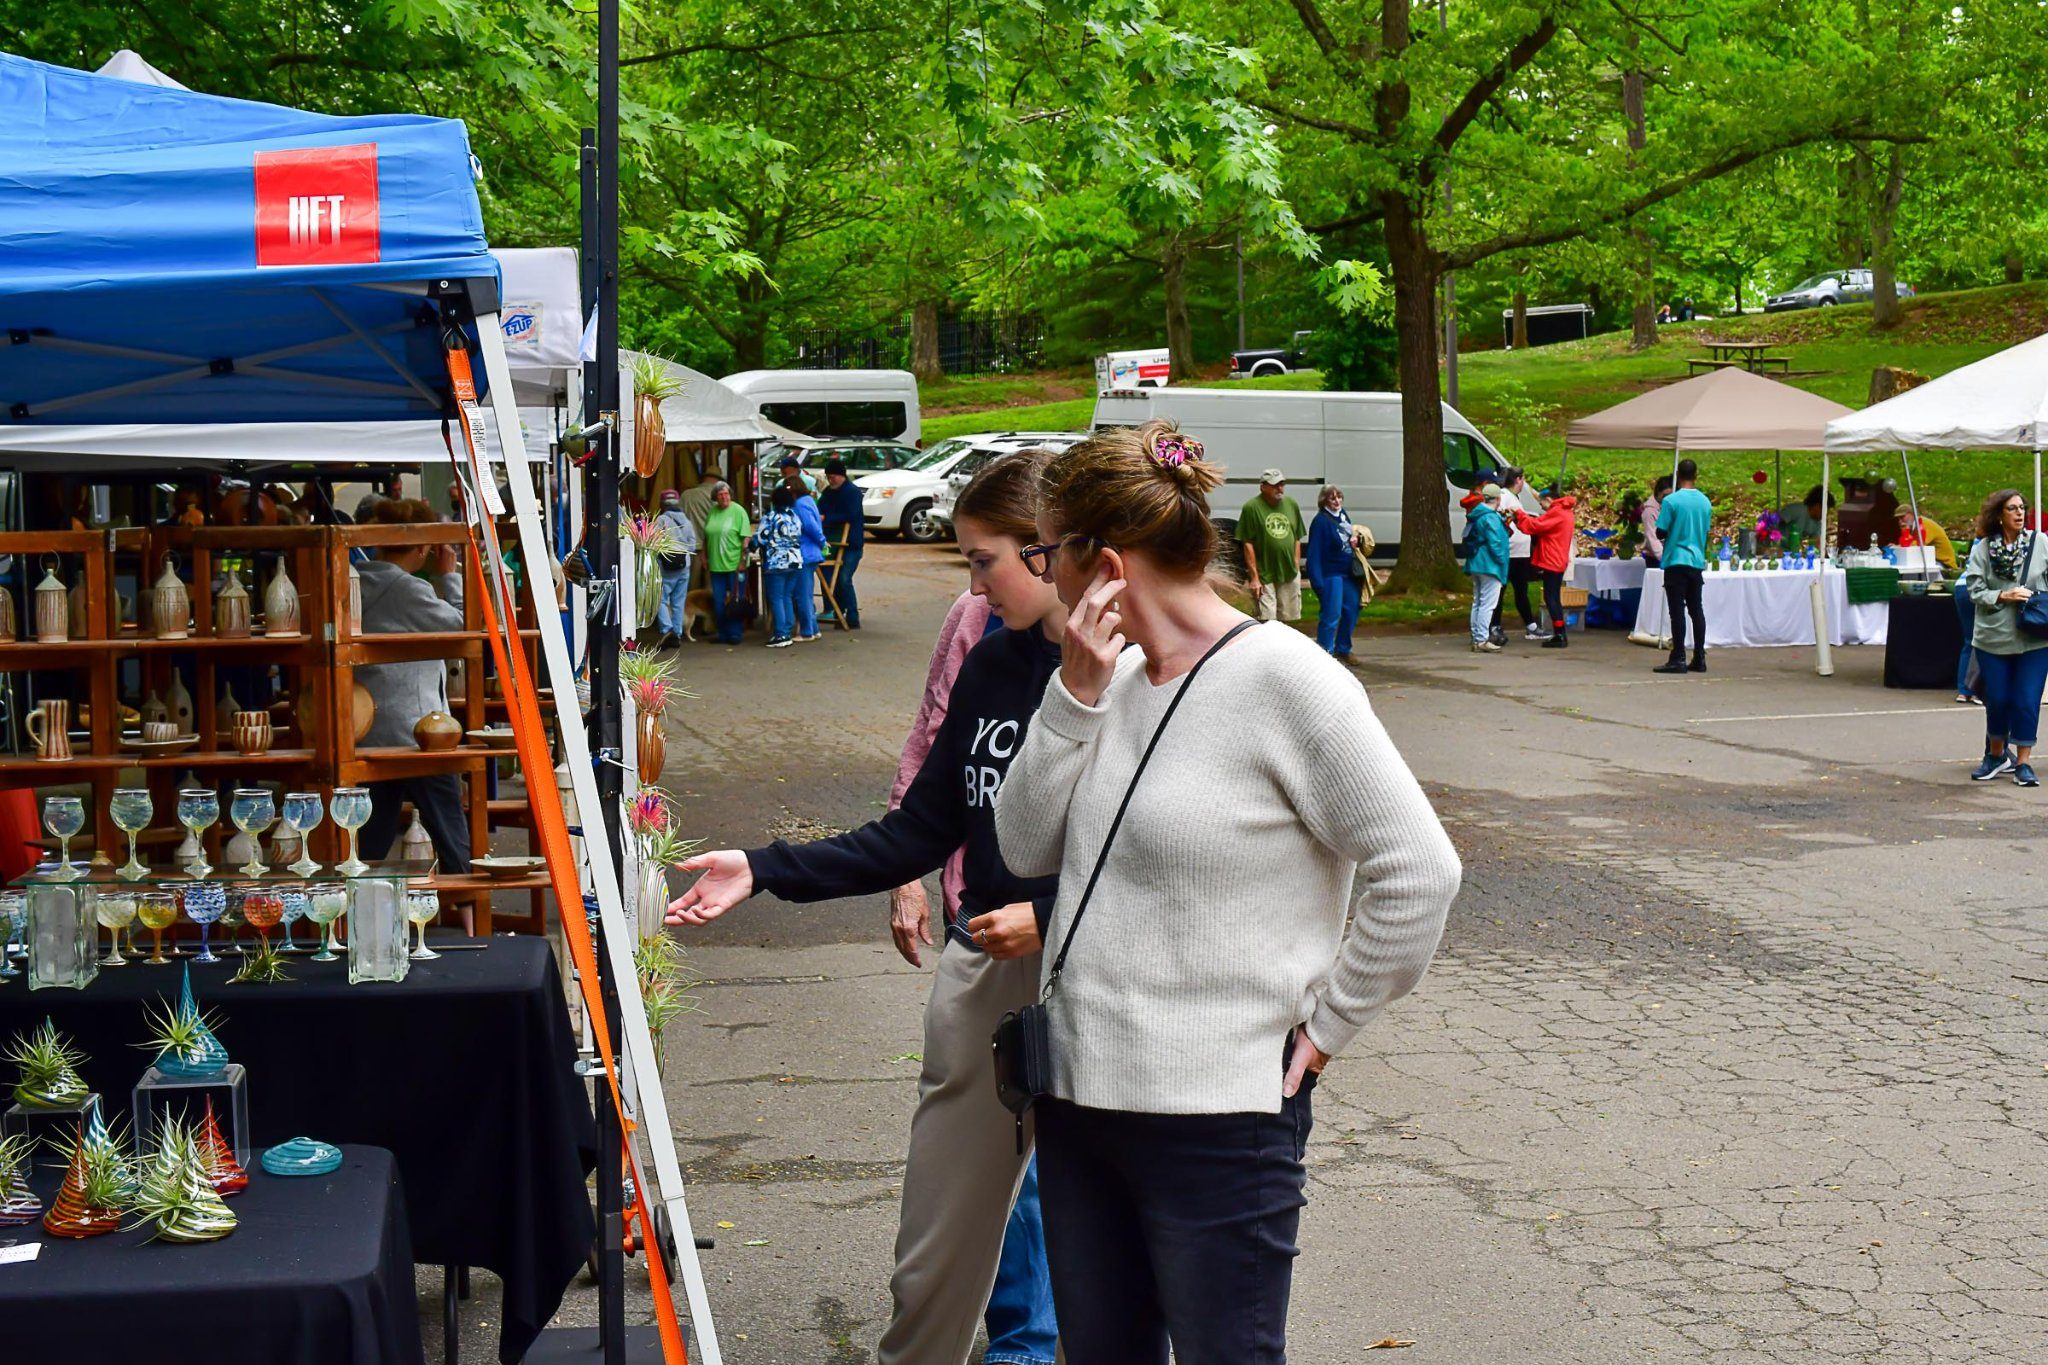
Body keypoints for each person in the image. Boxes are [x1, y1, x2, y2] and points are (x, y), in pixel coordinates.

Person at [993, 419, 1461, 1363]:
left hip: (1221, 1118)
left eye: (1049, 553)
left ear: (1104, 560)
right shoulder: (1110, 679)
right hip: (1081, 1102)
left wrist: (1328, 1028)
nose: (1046, 576)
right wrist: (1072, 697)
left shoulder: (1286, 678)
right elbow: (1023, 844)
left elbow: (1420, 869)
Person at [668, 451, 1067, 1365]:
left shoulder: (1139, 676)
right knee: (935, 1244)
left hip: (1104, 982)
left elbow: (1169, 859)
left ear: (1050, 552)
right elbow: (921, 827)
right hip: (986, 970)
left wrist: (1052, 914)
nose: (970, 584)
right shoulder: (991, 663)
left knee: (1106, 1239)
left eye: (983, 559)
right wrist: (763, 867)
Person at [354, 498, 471, 871]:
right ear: (423, 547)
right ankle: (470, 917)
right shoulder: (408, 590)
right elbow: (462, 626)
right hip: (420, 732)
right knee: (451, 834)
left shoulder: (351, 581)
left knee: (371, 838)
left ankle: (359, 916)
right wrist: (450, 575)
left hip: (367, 729)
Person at [1961, 489, 2048, 786]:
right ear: (1999, 515)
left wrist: (2036, 597)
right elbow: (1973, 590)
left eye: (2022, 508)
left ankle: (2023, 763)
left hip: (2034, 638)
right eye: (2012, 508)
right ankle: (1996, 756)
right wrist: (2003, 595)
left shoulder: (2041, 543)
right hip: (1993, 639)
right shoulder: (1983, 549)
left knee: (2026, 701)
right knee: (1997, 700)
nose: (2020, 513)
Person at [1654, 460, 1713, 674]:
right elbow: (1705, 530)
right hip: (1696, 559)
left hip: (1676, 558)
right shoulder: (1705, 502)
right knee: (1696, 609)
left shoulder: (1671, 501)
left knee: (1677, 610)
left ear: (1678, 475)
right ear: (1696, 475)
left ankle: (1678, 656)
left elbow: (1660, 531)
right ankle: (1699, 656)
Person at [1235, 469, 1306, 623]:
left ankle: (1284, 647)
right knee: (1267, 620)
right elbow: (1247, 542)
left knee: (1288, 618)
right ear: (1263, 487)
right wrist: (1254, 578)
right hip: (1264, 573)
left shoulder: (1291, 504)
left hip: (1288, 571)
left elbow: (1297, 537)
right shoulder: (1251, 507)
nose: (1279, 488)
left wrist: (1296, 566)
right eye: (1275, 485)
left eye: (1281, 484)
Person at [1305, 485, 1364, 659]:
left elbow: (1348, 537)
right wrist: (1318, 583)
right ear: (1324, 501)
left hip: (1348, 574)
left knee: (1352, 609)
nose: (1337, 501)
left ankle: (1343, 648)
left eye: (1339, 497)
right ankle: (1325, 653)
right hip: (1331, 575)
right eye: (1332, 498)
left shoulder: (1343, 515)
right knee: (1331, 615)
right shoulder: (1321, 521)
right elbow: (1314, 554)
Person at [1517, 484, 1578, 650]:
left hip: (1552, 560)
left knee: (1551, 598)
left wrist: (1519, 515)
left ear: (1549, 499)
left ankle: (1560, 633)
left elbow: (1535, 526)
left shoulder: (1556, 513)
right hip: (1558, 559)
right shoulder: (1565, 511)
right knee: (1553, 597)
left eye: (1541, 503)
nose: (1541, 507)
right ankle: (1559, 631)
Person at [1495, 466, 1544, 642]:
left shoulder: (1514, 498)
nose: (1524, 483)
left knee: (1521, 590)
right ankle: (1495, 625)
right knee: (1499, 590)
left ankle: (1530, 625)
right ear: (1518, 480)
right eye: (1523, 479)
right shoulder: (1503, 496)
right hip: (1509, 552)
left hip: (1520, 553)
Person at [818, 458, 865, 630]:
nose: (831, 480)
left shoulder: (852, 492)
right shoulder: (828, 493)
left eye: (833, 477)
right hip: (833, 542)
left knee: (844, 579)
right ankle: (838, 612)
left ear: (841, 476)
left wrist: (827, 517)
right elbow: (820, 507)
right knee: (832, 578)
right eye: (829, 477)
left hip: (852, 544)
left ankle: (852, 615)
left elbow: (850, 514)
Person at [756, 485, 805, 649]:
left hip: (777, 561)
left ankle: (780, 633)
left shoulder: (770, 517)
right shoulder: (795, 517)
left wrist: (749, 546)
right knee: (787, 596)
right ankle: (787, 631)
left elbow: (761, 539)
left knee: (776, 598)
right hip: (795, 560)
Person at [703, 481, 751, 645]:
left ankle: (735, 634)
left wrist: (743, 561)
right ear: (715, 497)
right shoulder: (712, 511)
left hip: (734, 565)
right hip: (716, 564)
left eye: (726, 494)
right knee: (718, 602)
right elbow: (707, 535)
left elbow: (746, 538)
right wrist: (704, 555)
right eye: (720, 494)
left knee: (736, 600)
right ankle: (723, 633)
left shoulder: (738, 511)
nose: (724, 497)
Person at [1464, 483, 1510, 654]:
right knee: (1488, 604)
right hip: (1489, 565)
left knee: (1478, 602)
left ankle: (1476, 636)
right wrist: (1502, 561)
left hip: (1476, 562)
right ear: (1497, 499)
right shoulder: (1491, 517)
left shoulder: (1476, 514)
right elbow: (1496, 545)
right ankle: (1482, 639)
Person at [652, 488, 700, 650]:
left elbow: (653, 543)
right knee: (679, 602)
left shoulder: (661, 520)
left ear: (662, 504)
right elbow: (692, 545)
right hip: (684, 566)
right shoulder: (686, 521)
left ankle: (667, 629)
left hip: (666, 567)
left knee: (661, 599)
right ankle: (678, 634)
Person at [790, 473, 827, 643]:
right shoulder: (809, 501)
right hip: (811, 553)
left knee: (802, 595)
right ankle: (813, 628)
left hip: (804, 553)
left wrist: (822, 541)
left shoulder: (799, 505)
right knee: (807, 594)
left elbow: (810, 526)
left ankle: (806, 631)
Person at [1894, 506, 1958, 575]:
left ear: (1912, 514)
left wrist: (1899, 546)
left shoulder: (1924, 524)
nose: (1900, 521)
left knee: (1914, 570)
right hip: (1931, 560)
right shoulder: (1912, 526)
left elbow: (1919, 543)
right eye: (1898, 519)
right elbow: (1907, 542)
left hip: (1944, 564)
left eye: (1902, 517)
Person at [1641, 474, 1673, 568]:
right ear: (1657, 493)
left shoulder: (1671, 506)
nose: (1667, 499)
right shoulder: (1649, 511)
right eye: (1665, 496)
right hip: (1656, 559)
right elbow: (1652, 539)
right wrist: (1665, 560)